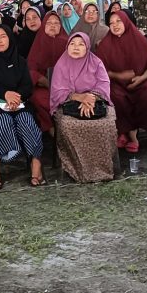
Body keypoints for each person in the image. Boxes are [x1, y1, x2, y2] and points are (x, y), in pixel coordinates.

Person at [0, 25, 45, 189]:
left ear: (10, 38)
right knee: (3, 120)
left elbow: (27, 86)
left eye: (3, 36)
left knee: (26, 118)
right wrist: (5, 94)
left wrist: (15, 98)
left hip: (19, 103)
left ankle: (35, 161)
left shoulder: (20, 61)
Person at [50, 32, 118, 182]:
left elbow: (103, 84)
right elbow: (58, 92)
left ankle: (103, 170)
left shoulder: (96, 62)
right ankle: (81, 171)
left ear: (87, 47)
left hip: (96, 102)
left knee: (106, 124)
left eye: (81, 44)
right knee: (68, 125)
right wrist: (78, 97)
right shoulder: (61, 64)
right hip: (68, 105)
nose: (76, 47)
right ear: (67, 46)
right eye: (72, 44)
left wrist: (91, 98)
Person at [95, 11, 147, 154]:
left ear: (126, 22)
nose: (115, 25)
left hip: (141, 81)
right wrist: (118, 75)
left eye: (118, 21)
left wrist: (140, 79)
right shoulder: (105, 44)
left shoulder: (140, 40)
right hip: (116, 84)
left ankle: (127, 131)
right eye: (111, 23)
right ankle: (130, 135)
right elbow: (100, 71)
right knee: (116, 97)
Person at [27, 11, 69, 133]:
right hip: (44, 85)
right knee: (38, 98)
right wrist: (42, 79)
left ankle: (65, 127)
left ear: (61, 26)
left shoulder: (67, 43)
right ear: (44, 25)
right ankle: (50, 127)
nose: (52, 25)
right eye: (49, 23)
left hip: (65, 85)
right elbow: (30, 69)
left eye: (56, 23)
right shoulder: (39, 42)